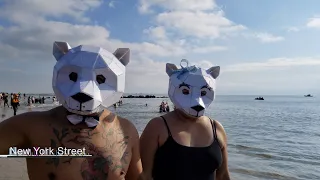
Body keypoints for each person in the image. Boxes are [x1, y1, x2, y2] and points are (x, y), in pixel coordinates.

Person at [0, 41, 142, 180]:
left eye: (100, 78)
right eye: (73, 77)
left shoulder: (126, 130)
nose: (83, 90)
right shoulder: (30, 126)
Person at [140, 59, 230, 180]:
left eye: (203, 93)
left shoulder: (217, 128)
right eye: (185, 91)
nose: (196, 101)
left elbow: (223, 175)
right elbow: (145, 175)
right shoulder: (157, 127)